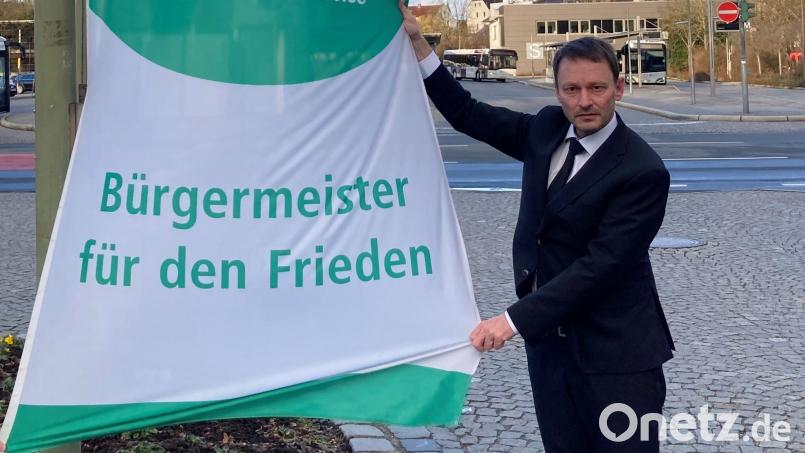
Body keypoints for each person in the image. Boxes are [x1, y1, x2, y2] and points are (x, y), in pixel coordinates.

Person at [399, 2, 674, 452]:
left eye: (597, 88)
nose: (585, 101)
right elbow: (467, 113)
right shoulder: (546, 129)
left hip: (617, 359)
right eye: (572, 89)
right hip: (550, 350)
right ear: (557, 90)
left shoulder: (642, 170)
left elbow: (600, 267)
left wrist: (510, 321)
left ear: (619, 89)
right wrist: (416, 42)